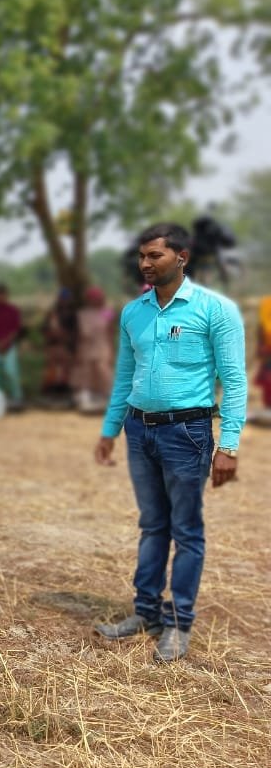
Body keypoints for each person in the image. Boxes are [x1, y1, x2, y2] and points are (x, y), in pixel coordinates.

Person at [94, 223, 246, 662]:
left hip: (188, 434)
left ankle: (178, 623)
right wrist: (110, 429)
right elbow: (126, 375)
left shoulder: (214, 310)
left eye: (155, 255)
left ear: (182, 257)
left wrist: (229, 445)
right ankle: (145, 612)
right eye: (142, 256)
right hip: (139, 431)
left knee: (186, 530)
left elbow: (234, 381)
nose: (145, 263)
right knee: (152, 525)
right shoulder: (133, 312)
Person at [72, 286, 116, 413]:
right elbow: (79, 334)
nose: (95, 301)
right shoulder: (82, 313)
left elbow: (110, 332)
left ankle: (110, 398)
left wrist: (111, 350)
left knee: (103, 371)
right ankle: (88, 399)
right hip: (86, 346)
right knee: (86, 372)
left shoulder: (107, 312)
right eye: (93, 298)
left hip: (103, 345)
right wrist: (78, 351)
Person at [0, 283, 24, 407]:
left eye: (3, 295)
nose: (1, 298)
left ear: (7, 296)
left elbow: (16, 329)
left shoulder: (13, 310)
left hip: (9, 345)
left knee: (11, 372)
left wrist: (6, 342)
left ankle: (16, 398)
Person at [40, 289, 78, 400]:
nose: (64, 301)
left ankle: (64, 393)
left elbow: (75, 332)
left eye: (66, 299)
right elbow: (45, 330)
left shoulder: (72, 315)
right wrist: (52, 335)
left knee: (65, 371)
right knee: (52, 370)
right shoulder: (52, 313)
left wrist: (66, 338)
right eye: (63, 299)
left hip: (66, 346)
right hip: (53, 345)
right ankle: (50, 393)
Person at [256, 296, 271, 412]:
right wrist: (261, 347)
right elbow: (261, 327)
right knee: (268, 379)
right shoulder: (267, 303)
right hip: (268, 347)